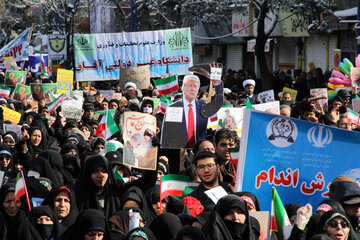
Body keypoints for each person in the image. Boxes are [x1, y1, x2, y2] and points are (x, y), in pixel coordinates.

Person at [161, 73, 224, 149]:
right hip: (179, 151)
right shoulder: (173, 108)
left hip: (200, 152)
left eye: (195, 86)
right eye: (190, 86)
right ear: (183, 88)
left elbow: (218, 103)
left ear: (198, 90)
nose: (193, 89)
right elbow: (167, 135)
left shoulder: (204, 107)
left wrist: (217, 83)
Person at [182, 151, 233, 216]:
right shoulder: (192, 198)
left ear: (218, 168)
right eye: (201, 167)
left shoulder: (230, 188)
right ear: (196, 171)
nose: (206, 170)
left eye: (210, 166)